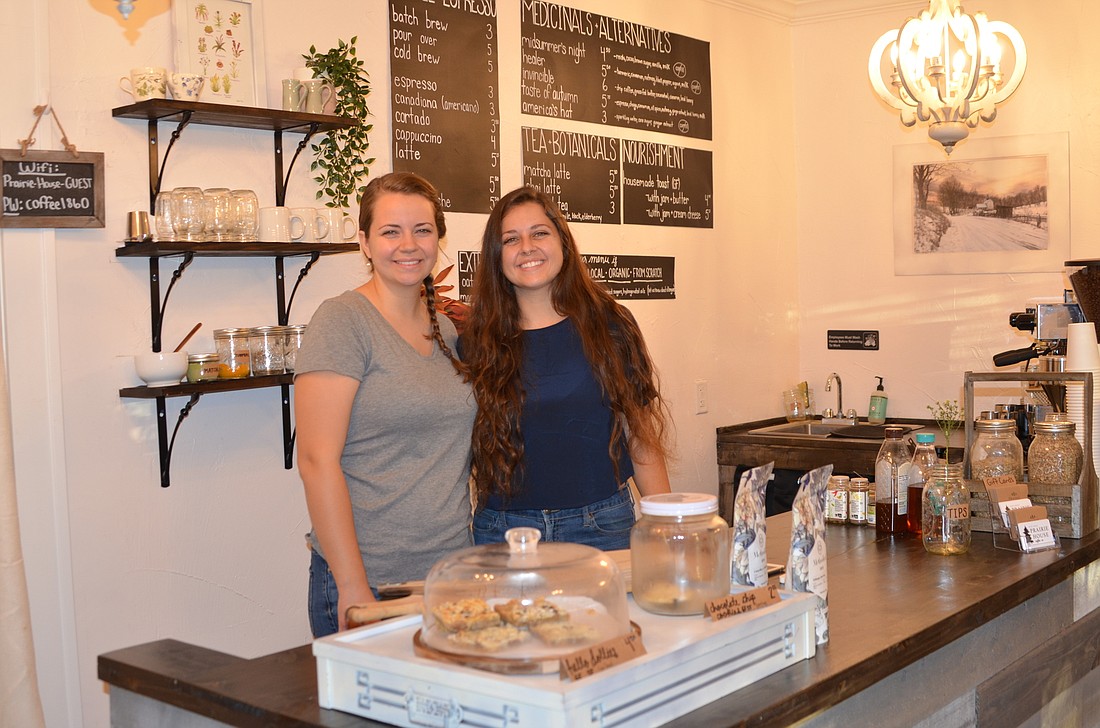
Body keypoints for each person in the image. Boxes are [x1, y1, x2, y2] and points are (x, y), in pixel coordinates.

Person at [294, 172, 474, 638]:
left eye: (423, 230)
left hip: (448, 574)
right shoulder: (343, 321)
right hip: (371, 580)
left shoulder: (445, 330)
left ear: (438, 238)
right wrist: (353, 585)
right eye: (390, 231)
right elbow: (316, 461)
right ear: (365, 243)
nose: (408, 245)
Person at [460, 185, 672, 551]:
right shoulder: (474, 342)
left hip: (603, 527)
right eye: (511, 239)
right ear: (497, 256)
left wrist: (668, 528)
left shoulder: (611, 324)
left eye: (539, 232)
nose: (527, 247)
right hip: (506, 534)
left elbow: (640, 435)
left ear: (563, 241)